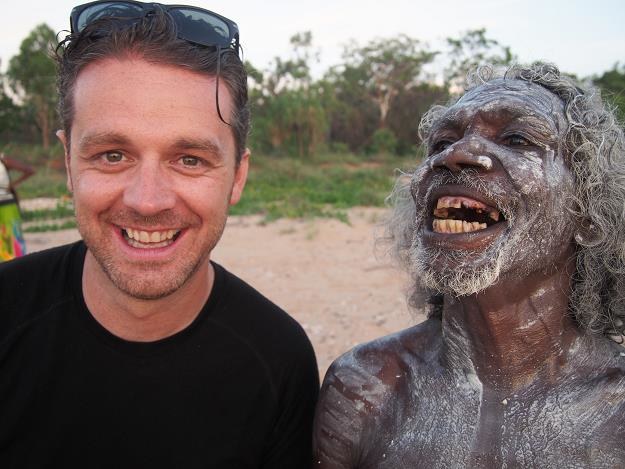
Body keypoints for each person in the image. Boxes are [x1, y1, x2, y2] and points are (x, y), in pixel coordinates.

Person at [0, 2, 319, 468]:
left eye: (189, 159)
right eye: (112, 155)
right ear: (68, 162)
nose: (147, 201)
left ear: (237, 176)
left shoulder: (279, 361)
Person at [313, 63, 625, 468]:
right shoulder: (363, 389)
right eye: (443, 141)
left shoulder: (615, 413)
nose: (454, 155)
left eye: (516, 138)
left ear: (587, 212)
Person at [0, 153, 34, 261]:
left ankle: (14, 272)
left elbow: (29, 170)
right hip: (6, 206)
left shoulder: (3, 159)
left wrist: (12, 185)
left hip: (6, 206)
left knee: (12, 241)